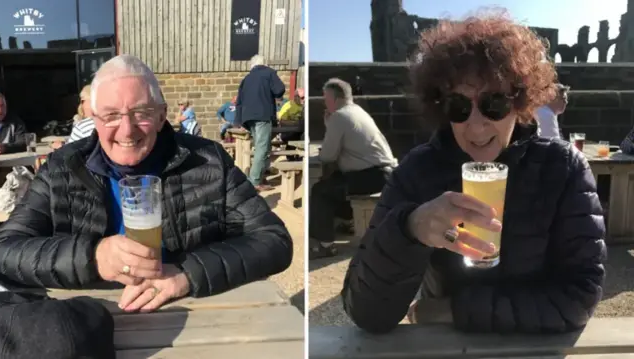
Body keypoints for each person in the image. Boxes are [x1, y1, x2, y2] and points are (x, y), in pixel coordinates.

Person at [341, 14, 606, 334]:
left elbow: (579, 299)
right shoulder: (417, 171)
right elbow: (366, 314)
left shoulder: (564, 169)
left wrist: (453, 311)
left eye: (494, 103)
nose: (477, 125)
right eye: (458, 107)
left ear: (520, 100)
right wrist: (409, 229)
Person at [0, 54, 293, 312]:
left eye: (142, 113)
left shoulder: (208, 160)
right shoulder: (63, 167)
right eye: (111, 116)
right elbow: (3, 249)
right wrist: (92, 256)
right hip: (89, 317)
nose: (127, 130)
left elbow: (274, 240)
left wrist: (188, 273)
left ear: (162, 115)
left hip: (195, 312)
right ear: (93, 118)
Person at [309, 78, 397, 258]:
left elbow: (327, 156)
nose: (325, 102)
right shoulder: (357, 111)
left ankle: (325, 245)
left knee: (320, 191)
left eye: (326, 98)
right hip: (385, 173)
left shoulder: (339, 116)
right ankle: (349, 220)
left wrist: (329, 127)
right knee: (336, 182)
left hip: (372, 176)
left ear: (334, 98)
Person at [235, 54, 286, 192]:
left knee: (260, 147)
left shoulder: (246, 79)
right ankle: (255, 181)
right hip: (263, 115)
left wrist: (237, 121)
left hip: (248, 118)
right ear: (264, 64)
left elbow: (238, 101)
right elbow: (279, 90)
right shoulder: (269, 72)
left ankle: (259, 176)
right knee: (262, 148)